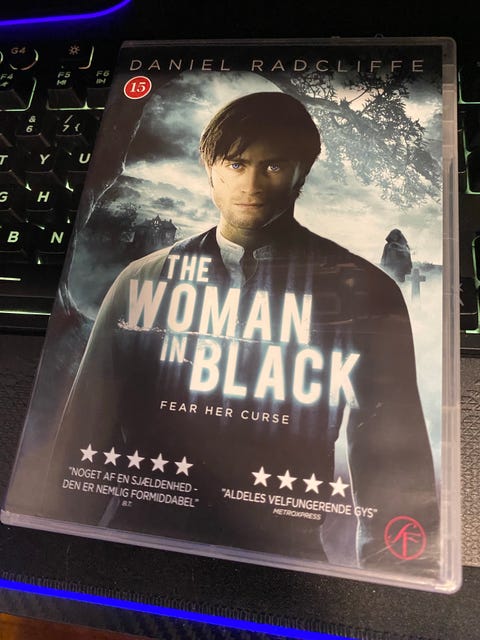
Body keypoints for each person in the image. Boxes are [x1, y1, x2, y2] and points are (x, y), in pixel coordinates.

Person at [44, 92, 439, 575]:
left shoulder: (365, 291)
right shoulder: (144, 279)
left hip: (284, 564)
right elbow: (81, 442)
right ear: (210, 168)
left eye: (273, 166)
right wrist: (56, 559)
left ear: (302, 172)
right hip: (137, 549)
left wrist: (398, 583)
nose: (251, 184)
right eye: (235, 163)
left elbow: (394, 465)